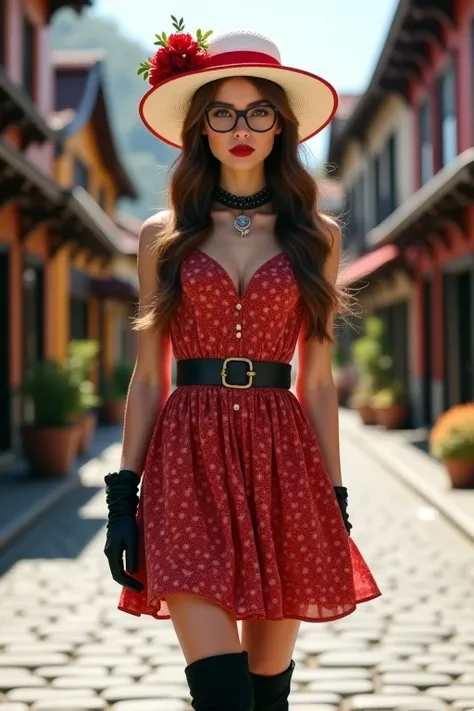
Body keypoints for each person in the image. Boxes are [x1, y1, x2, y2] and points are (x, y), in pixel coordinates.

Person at [103, 21, 381, 711]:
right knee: (222, 694)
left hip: (281, 463)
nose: (241, 127)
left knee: (266, 695)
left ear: (281, 125)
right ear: (200, 127)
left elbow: (317, 381)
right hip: (185, 461)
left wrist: (335, 496)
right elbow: (148, 375)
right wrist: (122, 497)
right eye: (222, 112)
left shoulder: (319, 237)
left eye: (258, 111)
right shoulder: (160, 236)